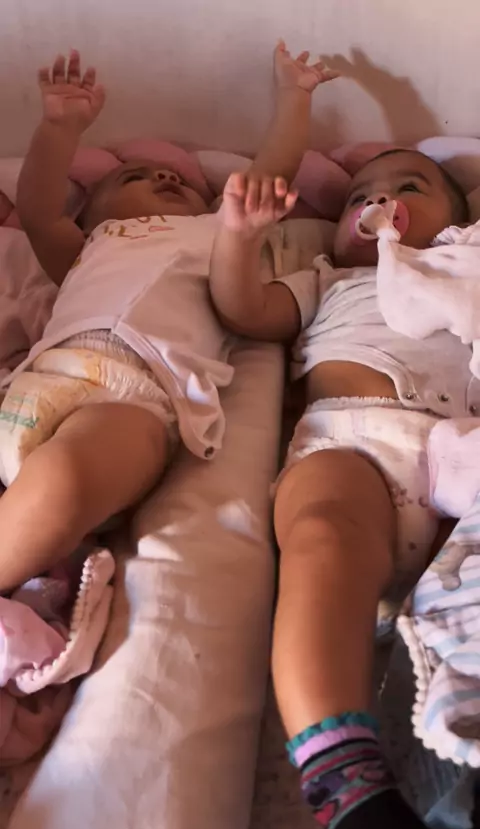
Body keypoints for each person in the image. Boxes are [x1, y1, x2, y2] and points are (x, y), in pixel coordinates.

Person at [0, 44, 339, 594]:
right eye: (134, 176)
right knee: (48, 483)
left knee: (64, 480)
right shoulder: (92, 244)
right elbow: (37, 211)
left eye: (180, 181)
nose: (164, 173)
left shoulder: (216, 233)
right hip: (37, 381)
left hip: (136, 395)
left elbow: (270, 173)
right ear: (94, 212)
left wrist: (295, 97)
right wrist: (60, 130)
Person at [209, 144, 471, 829]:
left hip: (466, 456)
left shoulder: (464, 263)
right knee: (322, 533)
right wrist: (238, 237)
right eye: (359, 196)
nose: (379, 202)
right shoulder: (329, 279)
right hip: (354, 442)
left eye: (410, 186)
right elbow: (243, 307)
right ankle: (347, 786)